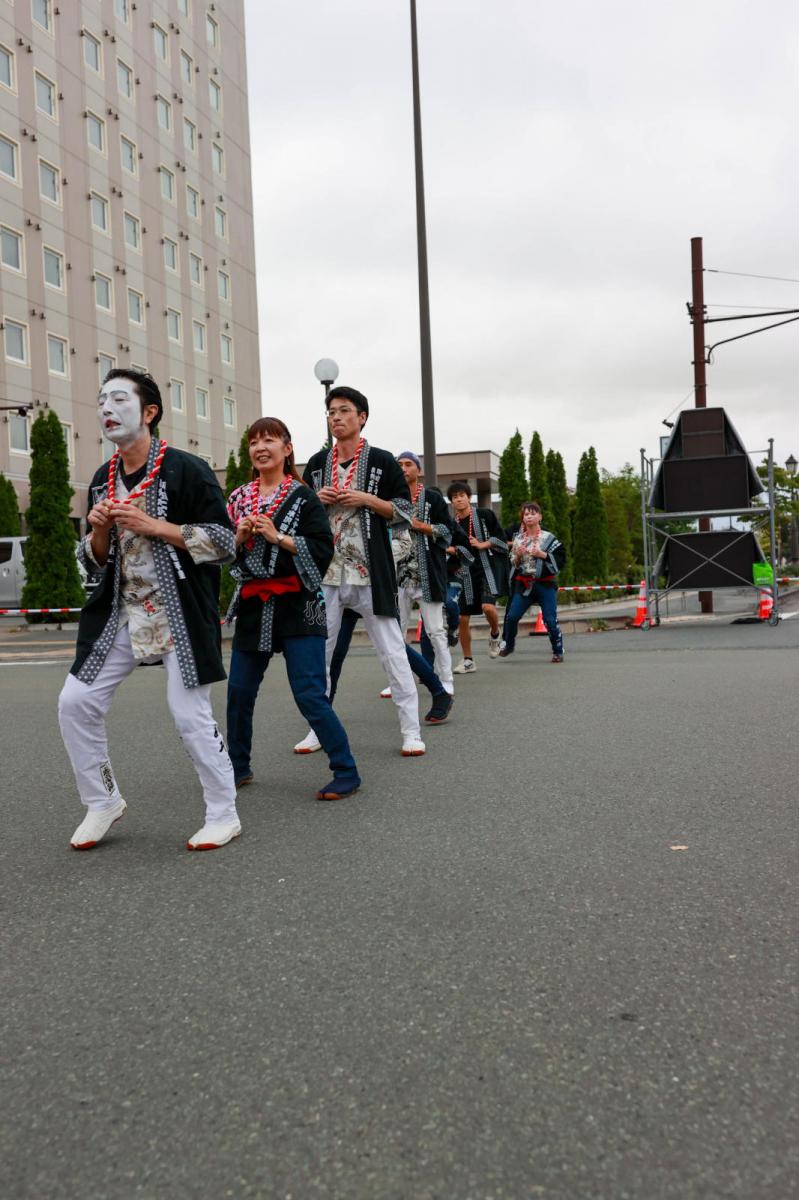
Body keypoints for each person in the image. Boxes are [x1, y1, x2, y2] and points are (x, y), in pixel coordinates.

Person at [58, 369, 241, 852]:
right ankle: (102, 801)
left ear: (150, 412)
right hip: (122, 612)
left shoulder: (187, 469)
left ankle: (223, 813)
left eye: (119, 399)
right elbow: (95, 560)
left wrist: (155, 525)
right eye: (102, 401)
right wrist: (98, 529)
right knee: (75, 703)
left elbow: (225, 542)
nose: (107, 410)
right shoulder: (103, 478)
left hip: (178, 612)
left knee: (188, 714)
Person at [225, 418, 361, 800]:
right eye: (253, 441)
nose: (260, 447)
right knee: (238, 691)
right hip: (254, 603)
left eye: (269, 439)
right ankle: (238, 766)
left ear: (287, 448)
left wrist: (277, 537)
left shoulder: (305, 497)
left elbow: (323, 549)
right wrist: (237, 537)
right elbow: (221, 553)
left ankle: (346, 770)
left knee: (309, 692)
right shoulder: (237, 498)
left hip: (300, 602)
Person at [296, 386, 425, 756]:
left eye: (344, 411)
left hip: (372, 572)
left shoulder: (383, 461)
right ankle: (317, 729)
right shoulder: (318, 463)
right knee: (319, 652)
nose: (336, 417)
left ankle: (410, 730)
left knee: (392, 651)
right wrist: (315, 500)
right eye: (331, 412)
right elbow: (304, 516)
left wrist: (367, 499)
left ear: (361, 417)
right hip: (328, 574)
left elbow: (405, 512)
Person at [394, 451, 454, 722]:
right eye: (400, 465)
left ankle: (447, 681)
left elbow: (448, 530)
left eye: (408, 464)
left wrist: (425, 528)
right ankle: (398, 680)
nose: (403, 468)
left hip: (427, 573)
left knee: (435, 631)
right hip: (398, 575)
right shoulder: (392, 498)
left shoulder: (432, 498)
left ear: (418, 469)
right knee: (396, 633)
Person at [446, 481, 509, 673]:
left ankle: (495, 634)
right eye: (454, 497)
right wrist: (451, 549)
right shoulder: (451, 523)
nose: (458, 499)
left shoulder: (484, 515)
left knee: (488, 607)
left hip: (486, 568)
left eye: (461, 495)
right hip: (464, 573)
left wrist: (482, 544)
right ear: (451, 502)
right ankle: (468, 660)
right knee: (463, 618)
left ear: (469, 497)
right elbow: (448, 547)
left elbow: (502, 541)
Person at [500, 500, 566, 661]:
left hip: (545, 584)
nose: (529, 516)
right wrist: (519, 555)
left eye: (533, 513)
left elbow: (561, 559)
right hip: (524, 584)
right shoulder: (518, 540)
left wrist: (543, 555)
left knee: (550, 619)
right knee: (512, 616)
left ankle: (558, 650)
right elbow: (513, 562)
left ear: (540, 517)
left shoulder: (548, 538)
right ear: (523, 518)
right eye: (526, 514)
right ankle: (509, 644)